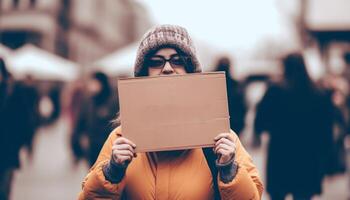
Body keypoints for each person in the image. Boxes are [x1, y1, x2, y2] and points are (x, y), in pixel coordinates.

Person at [78, 25, 263, 200]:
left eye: (177, 61)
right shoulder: (121, 138)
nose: (167, 68)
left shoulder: (220, 138)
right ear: (144, 74)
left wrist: (229, 169)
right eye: (156, 62)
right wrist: (112, 172)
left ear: (190, 71)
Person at [254, 53, 333, 200]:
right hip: (308, 156)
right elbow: (326, 129)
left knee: (278, 195)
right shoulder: (318, 93)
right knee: (303, 195)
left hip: (281, 154)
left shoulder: (275, 91)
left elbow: (260, 121)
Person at [71, 71, 119, 166]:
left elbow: (116, 123)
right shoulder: (89, 100)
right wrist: (77, 142)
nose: (92, 86)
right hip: (92, 146)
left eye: (94, 83)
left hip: (108, 146)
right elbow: (81, 121)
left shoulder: (113, 101)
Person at [214, 56, 247, 136]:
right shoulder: (236, 85)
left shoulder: (210, 83)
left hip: (217, 125)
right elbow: (242, 107)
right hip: (232, 126)